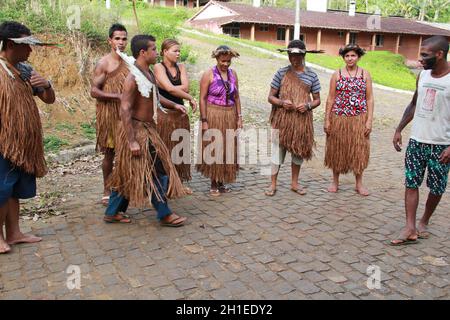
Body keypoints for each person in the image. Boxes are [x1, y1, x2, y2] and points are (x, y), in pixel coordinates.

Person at [104, 34, 187, 227]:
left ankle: (112, 212)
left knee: (128, 172)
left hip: (148, 129)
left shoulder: (147, 74)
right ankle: (164, 213)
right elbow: (125, 108)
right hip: (137, 131)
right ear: (143, 52)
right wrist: (132, 140)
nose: (157, 53)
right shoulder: (133, 78)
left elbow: (155, 97)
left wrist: (175, 106)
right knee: (157, 171)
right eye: (154, 49)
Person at [0, 21, 56, 253]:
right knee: (2, 189)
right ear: (11, 44)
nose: (30, 51)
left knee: (14, 189)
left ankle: (14, 233)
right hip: (4, 143)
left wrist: (47, 84)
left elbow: (48, 99)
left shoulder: (24, 70)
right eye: (27, 46)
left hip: (22, 145)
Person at [391, 35, 450, 246]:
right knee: (411, 183)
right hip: (417, 141)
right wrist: (399, 128)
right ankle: (410, 227)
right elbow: (414, 103)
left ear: (440, 54)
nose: (420, 59)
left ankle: (424, 220)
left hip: (442, 145)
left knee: (436, 188)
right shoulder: (423, 76)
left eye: (425, 55)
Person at [265, 40, 321, 196]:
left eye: (297, 56)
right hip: (283, 120)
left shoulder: (312, 75)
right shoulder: (281, 73)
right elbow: (270, 97)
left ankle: (294, 183)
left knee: (298, 152)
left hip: (302, 121)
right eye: (291, 55)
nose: (294, 59)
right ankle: (273, 184)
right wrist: (282, 102)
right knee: (277, 152)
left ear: (303, 55)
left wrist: (308, 106)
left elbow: (317, 99)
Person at [324, 44, 374, 196]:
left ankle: (359, 183)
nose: (350, 58)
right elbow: (330, 98)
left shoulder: (365, 74)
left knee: (359, 150)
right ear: (343, 58)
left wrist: (369, 120)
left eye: (353, 55)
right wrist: (327, 119)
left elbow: (370, 99)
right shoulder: (337, 74)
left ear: (358, 57)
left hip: (359, 118)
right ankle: (335, 181)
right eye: (347, 56)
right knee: (337, 149)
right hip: (339, 117)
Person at [91, 23, 129, 206]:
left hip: (125, 115)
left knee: (127, 152)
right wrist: (117, 96)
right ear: (110, 41)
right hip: (109, 114)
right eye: (117, 39)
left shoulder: (129, 62)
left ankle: (123, 186)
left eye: (124, 39)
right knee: (109, 153)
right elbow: (94, 91)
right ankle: (107, 189)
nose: (121, 42)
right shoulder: (104, 63)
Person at [196, 45, 242, 196]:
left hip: (230, 114)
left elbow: (236, 97)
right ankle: (213, 183)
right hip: (213, 114)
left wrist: (239, 118)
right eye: (223, 61)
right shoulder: (208, 74)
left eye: (228, 61)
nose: (226, 64)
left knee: (227, 148)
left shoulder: (233, 74)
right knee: (215, 148)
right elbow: (202, 99)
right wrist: (204, 120)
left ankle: (222, 181)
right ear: (216, 59)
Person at [154, 39, 197, 190]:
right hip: (164, 114)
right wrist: (186, 95)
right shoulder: (158, 67)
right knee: (164, 149)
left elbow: (185, 87)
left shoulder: (182, 67)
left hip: (180, 114)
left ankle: (177, 184)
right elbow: (170, 90)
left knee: (179, 149)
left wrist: (169, 86)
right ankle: (164, 185)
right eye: (175, 51)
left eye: (179, 51)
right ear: (165, 52)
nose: (178, 54)